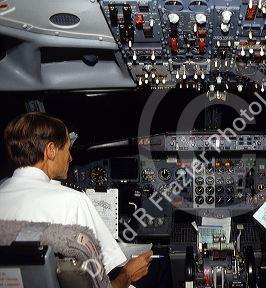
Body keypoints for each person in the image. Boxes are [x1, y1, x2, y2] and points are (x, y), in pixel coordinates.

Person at [0, 112, 152, 288]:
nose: (70, 158)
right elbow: (99, 283)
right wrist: (127, 275)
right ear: (50, 150)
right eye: (67, 149)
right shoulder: (72, 201)